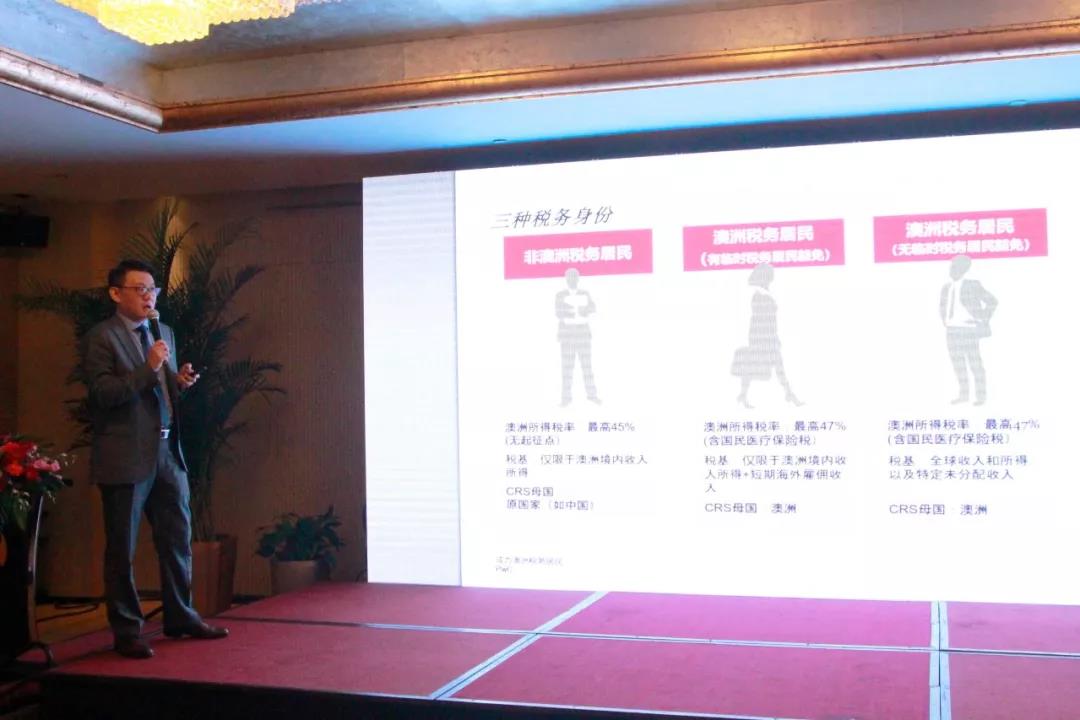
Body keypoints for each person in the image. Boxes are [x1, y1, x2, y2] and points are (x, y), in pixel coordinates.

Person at [83, 259, 228, 659]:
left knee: (177, 538)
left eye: (153, 290)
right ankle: (127, 630)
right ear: (116, 294)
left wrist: (178, 381)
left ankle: (181, 616)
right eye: (140, 289)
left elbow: (160, 393)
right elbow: (103, 394)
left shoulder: (163, 332)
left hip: (167, 451)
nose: (149, 297)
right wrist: (149, 368)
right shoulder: (102, 337)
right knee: (122, 548)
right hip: (125, 455)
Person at [731, 262, 802, 408]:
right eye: (769, 275)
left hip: (767, 336)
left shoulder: (764, 294)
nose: (771, 277)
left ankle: (744, 395)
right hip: (764, 337)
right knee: (770, 364)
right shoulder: (760, 296)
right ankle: (789, 394)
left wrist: (773, 336)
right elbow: (759, 320)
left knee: (762, 364)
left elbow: (768, 320)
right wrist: (766, 338)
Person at [939, 254, 997, 405]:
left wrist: (982, 318)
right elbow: (942, 307)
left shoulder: (972, 285)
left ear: (963, 269)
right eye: (951, 266)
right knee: (958, 364)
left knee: (975, 364)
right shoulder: (946, 287)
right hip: (951, 331)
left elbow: (992, 301)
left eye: (955, 266)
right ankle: (963, 395)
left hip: (968, 330)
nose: (951, 269)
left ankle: (981, 397)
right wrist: (945, 321)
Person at [555, 267, 601, 406]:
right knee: (567, 368)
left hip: (583, 335)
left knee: (587, 367)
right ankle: (566, 398)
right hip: (567, 336)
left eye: (574, 277)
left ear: (578, 279)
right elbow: (558, 312)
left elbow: (593, 308)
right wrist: (572, 311)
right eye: (569, 277)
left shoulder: (585, 293)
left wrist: (584, 310)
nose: (572, 280)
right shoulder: (560, 295)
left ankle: (592, 395)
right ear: (566, 279)